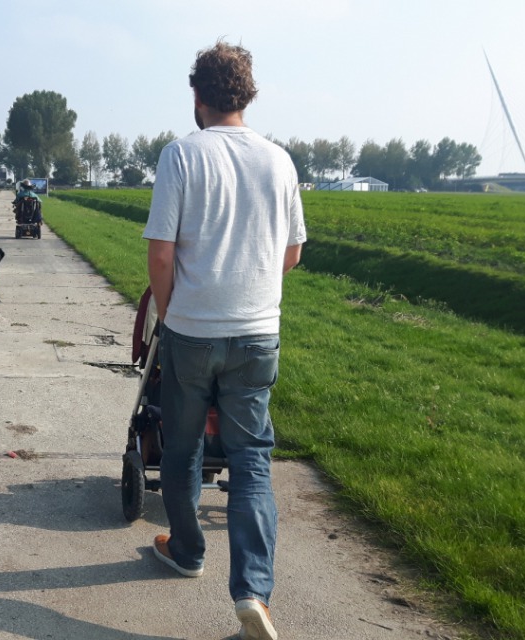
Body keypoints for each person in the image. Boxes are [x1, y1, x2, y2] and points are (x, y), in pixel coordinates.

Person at [142, 41, 306, 640]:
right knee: (252, 461)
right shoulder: (280, 161)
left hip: (192, 332)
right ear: (248, 95)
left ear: (197, 96)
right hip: (258, 334)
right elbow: (290, 253)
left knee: (182, 450)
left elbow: (161, 251)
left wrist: (168, 309)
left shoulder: (182, 156)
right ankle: (253, 594)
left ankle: (186, 550)